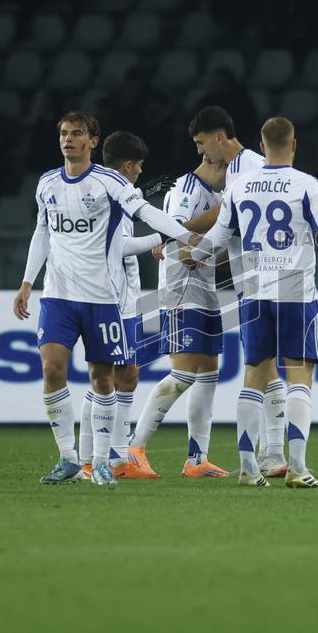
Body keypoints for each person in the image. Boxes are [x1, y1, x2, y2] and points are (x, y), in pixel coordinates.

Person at [188, 117, 318, 488]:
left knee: (254, 376)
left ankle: (248, 468)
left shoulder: (240, 185)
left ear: (261, 146)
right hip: (294, 290)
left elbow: (217, 238)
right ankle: (297, 468)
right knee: (300, 374)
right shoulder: (306, 184)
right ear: (294, 144)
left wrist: (190, 256)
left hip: (253, 290)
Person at [13, 111, 194, 486]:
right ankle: (67, 458)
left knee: (103, 378)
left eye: (77, 133)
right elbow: (42, 232)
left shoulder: (110, 182)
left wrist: (183, 235)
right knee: (52, 369)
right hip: (58, 295)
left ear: (93, 141)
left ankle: (99, 462)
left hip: (101, 298)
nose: (68, 139)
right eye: (64, 133)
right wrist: (28, 281)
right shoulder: (47, 183)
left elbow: (145, 211)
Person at [164, 106, 291, 478]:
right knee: (265, 366)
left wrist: (177, 231)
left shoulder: (248, 165)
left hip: (263, 279)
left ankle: (271, 455)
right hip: (255, 278)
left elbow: (225, 214)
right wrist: (204, 254)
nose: (201, 152)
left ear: (220, 137)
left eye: (202, 143)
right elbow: (234, 231)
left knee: (264, 366)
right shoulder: (239, 168)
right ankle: (271, 454)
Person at [124, 154, 233, 479]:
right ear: (216, 162)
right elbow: (175, 236)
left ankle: (197, 459)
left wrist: (220, 250)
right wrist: (175, 243)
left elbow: (207, 247)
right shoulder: (187, 189)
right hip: (181, 290)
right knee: (183, 374)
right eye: (228, 170)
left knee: (208, 373)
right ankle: (133, 449)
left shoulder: (217, 194)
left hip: (205, 290)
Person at [77, 131, 166, 481]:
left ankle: (109, 458)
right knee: (109, 377)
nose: (141, 172)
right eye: (139, 166)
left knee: (123, 375)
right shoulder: (108, 194)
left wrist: (142, 194)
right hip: (109, 296)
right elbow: (120, 246)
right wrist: (163, 235)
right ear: (128, 165)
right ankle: (95, 459)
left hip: (122, 297)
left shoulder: (111, 192)